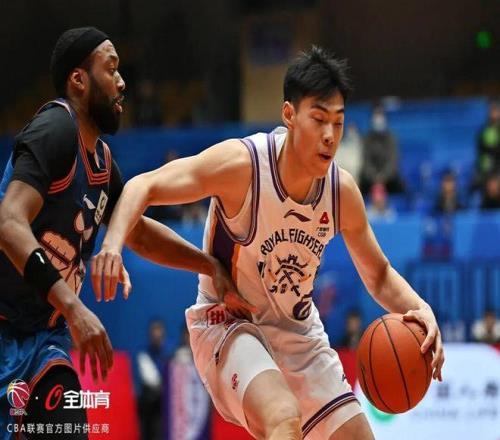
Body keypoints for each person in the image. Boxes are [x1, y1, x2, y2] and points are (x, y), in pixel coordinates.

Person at [93, 46, 444, 440]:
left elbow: (377, 275)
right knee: (282, 415)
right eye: (319, 119)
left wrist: (419, 308)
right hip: (228, 322)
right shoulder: (243, 166)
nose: (330, 136)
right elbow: (144, 185)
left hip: (298, 334)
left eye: (338, 122)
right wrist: (111, 246)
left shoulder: (341, 191)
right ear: (289, 115)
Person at [0, 27, 238, 437]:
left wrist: (208, 265)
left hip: (42, 339)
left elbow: (138, 233)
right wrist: (74, 308)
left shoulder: (101, 161)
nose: (122, 82)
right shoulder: (55, 128)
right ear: (79, 80)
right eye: (111, 69)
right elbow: (8, 223)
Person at [360, 105, 405, 194]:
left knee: (400, 185)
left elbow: (393, 161)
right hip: (370, 178)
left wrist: (382, 178)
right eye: (376, 116)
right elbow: (366, 162)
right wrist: (375, 178)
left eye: (380, 115)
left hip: (389, 178)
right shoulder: (367, 139)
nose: (378, 119)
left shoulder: (391, 138)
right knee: (359, 186)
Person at [137, 319, 169, 440]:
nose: (156, 335)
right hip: (148, 403)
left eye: (159, 331)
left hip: (164, 404)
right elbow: (150, 379)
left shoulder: (169, 354)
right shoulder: (143, 354)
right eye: (154, 331)